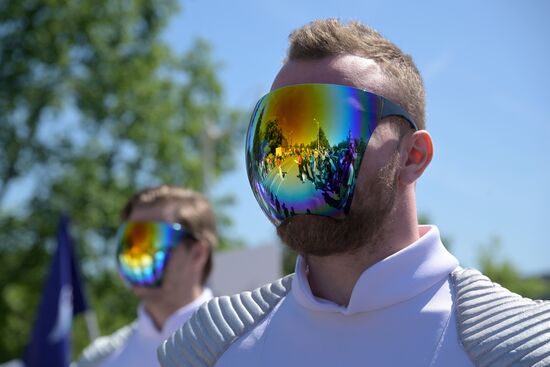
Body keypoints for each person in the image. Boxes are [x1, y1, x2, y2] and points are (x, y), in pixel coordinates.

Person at [158, 19, 550, 367]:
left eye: (329, 132)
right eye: (279, 135)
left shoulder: (519, 346)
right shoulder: (206, 346)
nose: (297, 159)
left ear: (414, 156)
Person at [75, 185, 217, 367]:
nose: (135, 253)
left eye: (149, 240)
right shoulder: (99, 360)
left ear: (198, 254)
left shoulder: (246, 346)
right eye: (129, 241)